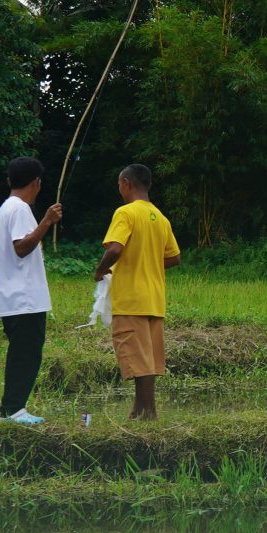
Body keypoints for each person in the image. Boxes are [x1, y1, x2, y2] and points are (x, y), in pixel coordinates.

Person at [96, 163, 180, 421]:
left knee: (137, 357)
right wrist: (149, 260)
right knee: (148, 359)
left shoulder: (126, 213)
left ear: (126, 183)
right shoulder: (160, 217)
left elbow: (115, 249)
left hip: (131, 298)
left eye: (119, 184)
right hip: (154, 298)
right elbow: (174, 258)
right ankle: (139, 409)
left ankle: (150, 411)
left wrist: (100, 270)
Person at [0, 156, 61, 424]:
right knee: (26, 354)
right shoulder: (19, 209)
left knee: (23, 352)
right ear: (36, 183)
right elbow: (21, 247)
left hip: (15, 298)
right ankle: (13, 410)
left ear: (10, 180)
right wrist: (46, 221)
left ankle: (11, 408)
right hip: (23, 299)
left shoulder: (7, 207)